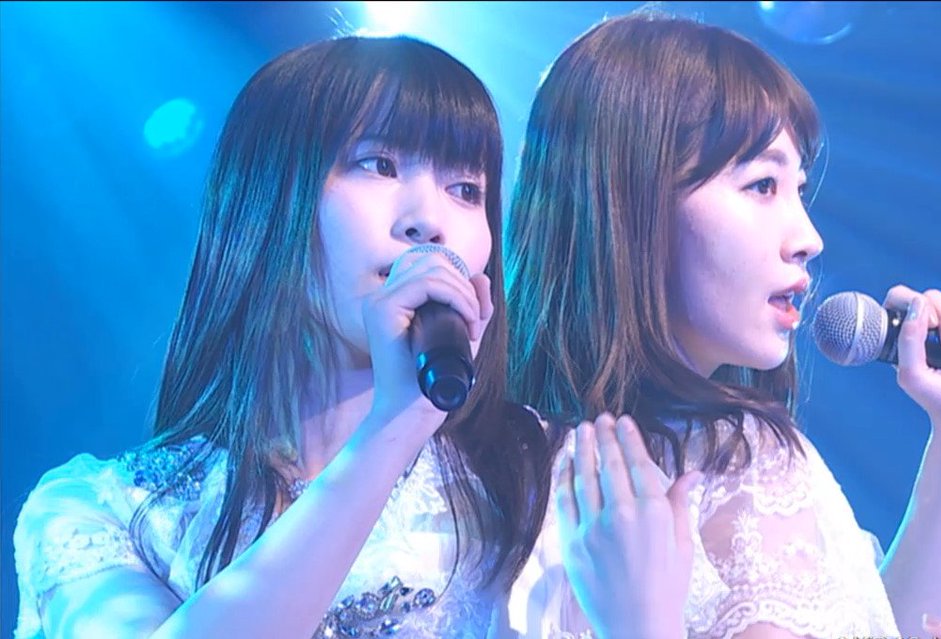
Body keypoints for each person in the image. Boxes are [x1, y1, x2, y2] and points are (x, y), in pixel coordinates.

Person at [12, 34, 554, 638]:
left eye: (466, 190)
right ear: (271, 199)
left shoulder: (535, 484)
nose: (429, 221)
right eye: (380, 164)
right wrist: (394, 428)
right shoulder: (99, 511)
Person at [501, 11, 941, 639]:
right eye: (762, 185)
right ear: (629, 202)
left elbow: (881, 628)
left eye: (798, 189)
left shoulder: (745, 456)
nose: (808, 238)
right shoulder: (480, 477)